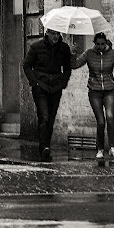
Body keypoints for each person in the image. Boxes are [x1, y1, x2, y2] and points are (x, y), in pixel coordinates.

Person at [71, 32, 114, 159]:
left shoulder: (112, 54)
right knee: (101, 121)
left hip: (109, 90)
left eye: (102, 44)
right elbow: (74, 65)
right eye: (97, 44)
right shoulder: (89, 54)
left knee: (110, 117)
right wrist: (73, 54)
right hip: (94, 91)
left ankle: (112, 147)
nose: (100, 46)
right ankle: (100, 149)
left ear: (106, 43)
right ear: (94, 44)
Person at [22, 28, 72, 161]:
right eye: (53, 33)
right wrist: (34, 82)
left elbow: (68, 67)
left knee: (50, 118)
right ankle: (44, 147)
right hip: (41, 87)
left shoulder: (63, 48)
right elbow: (27, 65)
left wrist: (63, 82)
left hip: (56, 87)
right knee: (43, 116)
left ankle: (45, 146)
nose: (56, 36)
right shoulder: (36, 47)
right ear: (47, 33)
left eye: (58, 34)